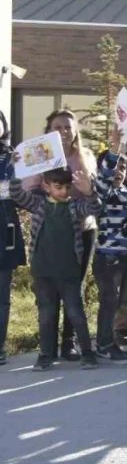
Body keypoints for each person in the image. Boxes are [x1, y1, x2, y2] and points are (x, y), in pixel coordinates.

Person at [9, 164, 102, 371]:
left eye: (66, 187)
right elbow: (16, 194)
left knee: (76, 314)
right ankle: (45, 355)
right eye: (57, 186)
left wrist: (88, 191)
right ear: (46, 186)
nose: (62, 191)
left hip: (69, 274)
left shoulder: (74, 207)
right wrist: (17, 168)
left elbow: (95, 208)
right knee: (46, 316)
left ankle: (87, 353)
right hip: (43, 273)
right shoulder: (39, 205)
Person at [22, 109, 97, 361]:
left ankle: (70, 342)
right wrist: (54, 196)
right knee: (48, 296)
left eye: (68, 126)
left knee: (73, 289)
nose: (64, 131)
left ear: (75, 130)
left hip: (82, 229)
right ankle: (48, 347)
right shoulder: (41, 156)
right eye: (58, 126)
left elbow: (95, 191)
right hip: (51, 228)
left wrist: (83, 193)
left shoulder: (85, 156)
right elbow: (27, 192)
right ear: (49, 130)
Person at [90, 129, 127, 365]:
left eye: (122, 168)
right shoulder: (104, 192)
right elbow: (104, 177)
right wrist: (114, 149)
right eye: (115, 168)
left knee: (117, 302)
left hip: (123, 256)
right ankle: (104, 345)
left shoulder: (125, 190)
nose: (119, 172)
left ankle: (106, 341)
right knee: (109, 302)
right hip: (107, 258)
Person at [0, 110, 26, 365]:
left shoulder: (11, 156)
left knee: (2, 293)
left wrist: (18, 167)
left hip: (4, 224)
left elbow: (18, 193)